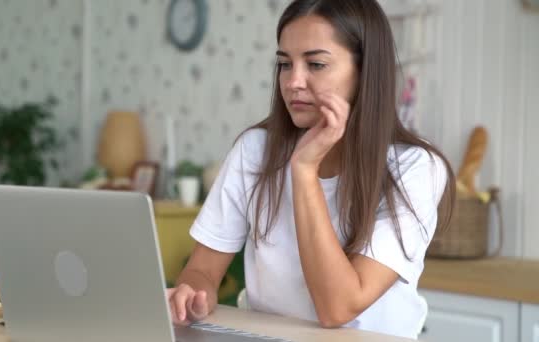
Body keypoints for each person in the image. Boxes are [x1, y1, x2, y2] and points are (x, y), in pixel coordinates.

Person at [166, 0, 455, 338]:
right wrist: (194, 293)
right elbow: (201, 271)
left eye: (316, 64)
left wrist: (304, 170)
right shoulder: (254, 150)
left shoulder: (414, 168)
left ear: (365, 71)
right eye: (285, 64)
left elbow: (338, 309)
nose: (293, 82)